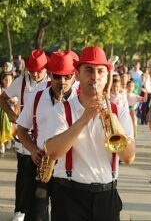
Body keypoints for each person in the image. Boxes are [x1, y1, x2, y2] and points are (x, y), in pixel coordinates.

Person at [44, 46, 135, 221]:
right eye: (88, 70)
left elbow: (129, 158)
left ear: (106, 76)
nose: (95, 77)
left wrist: (112, 119)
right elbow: (53, 152)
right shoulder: (62, 110)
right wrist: (84, 119)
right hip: (69, 196)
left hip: (106, 196)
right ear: (77, 75)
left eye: (100, 71)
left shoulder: (120, 112)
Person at [16, 51, 78, 221]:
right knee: (36, 215)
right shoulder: (37, 96)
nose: (62, 82)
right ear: (50, 74)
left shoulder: (80, 100)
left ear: (74, 76)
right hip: (40, 164)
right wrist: (33, 149)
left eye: (68, 76)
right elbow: (21, 130)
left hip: (69, 170)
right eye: (57, 76)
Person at [0, 50, 50, 221]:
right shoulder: (20, 82)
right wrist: (12, 116)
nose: (35, 74)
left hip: (44, 139)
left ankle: (41, 214)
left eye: (39, 70)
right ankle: (20, 210)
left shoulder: (53, 83)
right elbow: (2, 98)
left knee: (43, 179)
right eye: (32, 70)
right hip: (24, 138)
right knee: (24, 175)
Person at [0, 72, 16, 154]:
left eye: (9, 80)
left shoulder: (14, 90)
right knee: (2, 127)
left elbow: (16, 100)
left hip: (11, 111)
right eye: (6, 79)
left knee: (10, 127)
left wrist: (13, 101)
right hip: (1, 112)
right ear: (2, 80)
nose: (7, 81)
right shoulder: (1, 89)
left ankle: (9, 140)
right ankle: (2, 143)